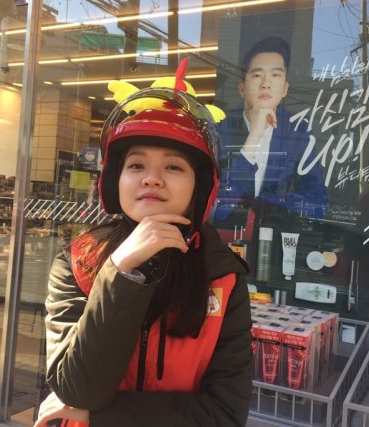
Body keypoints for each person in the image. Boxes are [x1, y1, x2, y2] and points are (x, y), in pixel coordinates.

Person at [34, 80, 253, 426]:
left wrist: (102, 417)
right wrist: (120, 270)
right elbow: (78, 390)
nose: (151, 178)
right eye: (136, 165)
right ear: (115, 179)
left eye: (173, 166)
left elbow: (225, 414)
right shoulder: (77, 263)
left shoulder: (223, 277)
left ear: (199, 186)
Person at [215, 36, 328, 221]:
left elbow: (318, 203)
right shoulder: (219, 130)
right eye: (257, 75)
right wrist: (253, 137)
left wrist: (269, 205)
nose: (266, 83)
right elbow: (217, 208)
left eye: (276, 75)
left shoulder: (298, 132)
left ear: (285, 89)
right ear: (242, 88)